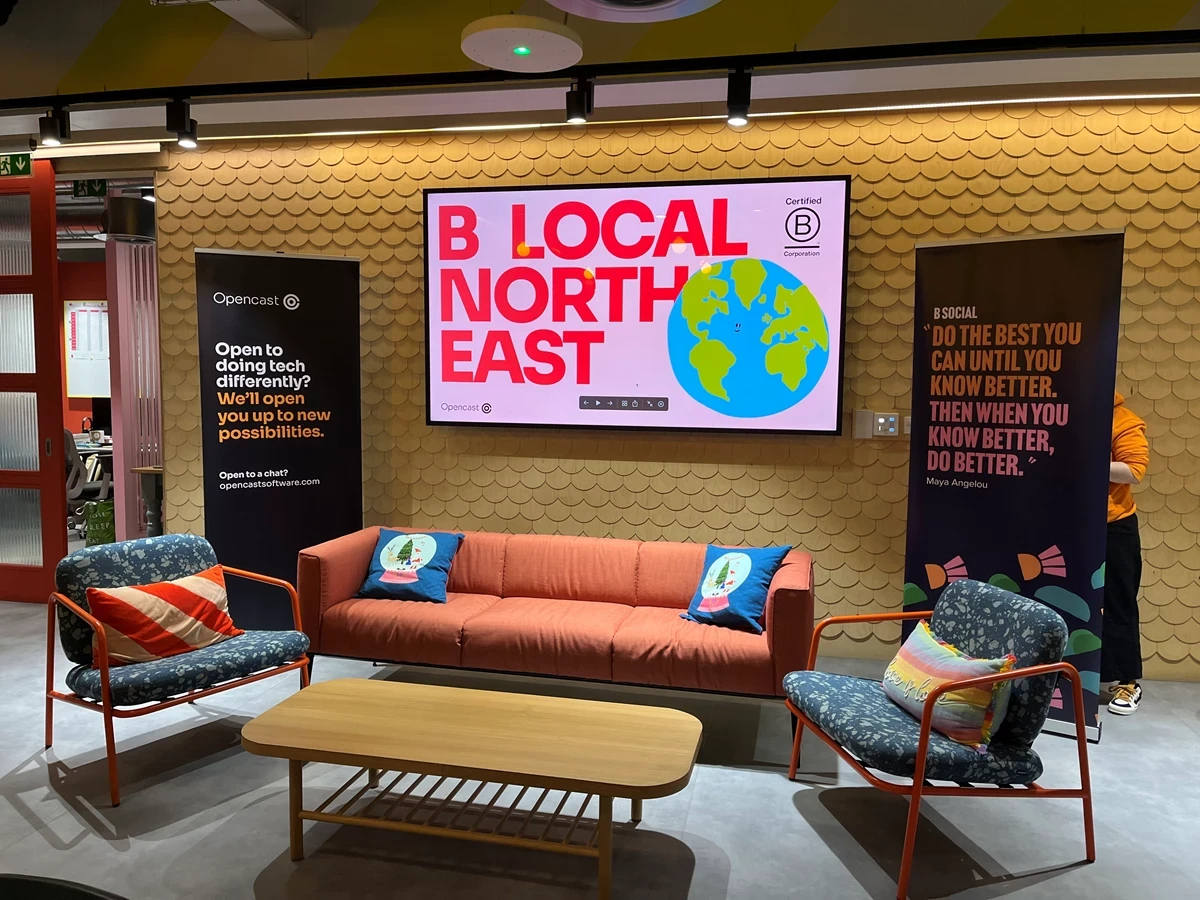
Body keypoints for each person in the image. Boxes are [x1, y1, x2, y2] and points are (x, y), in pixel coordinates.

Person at [1104, 392, 1150, 715]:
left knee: (1118, 601)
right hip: (1069, 525)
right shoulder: (1067, 414)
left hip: (1114, 526)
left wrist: (1088, 464)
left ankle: (1127, 682)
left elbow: (1134, 471)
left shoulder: (1123, 419)